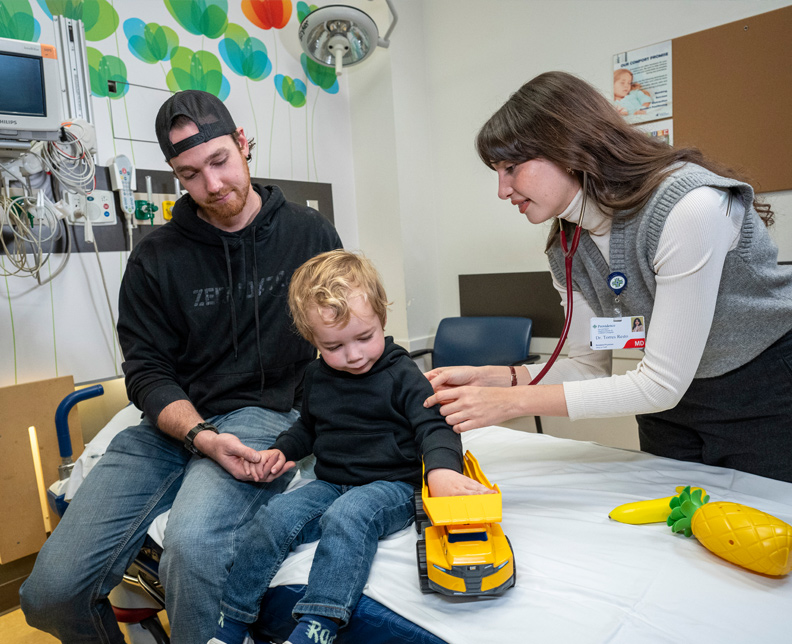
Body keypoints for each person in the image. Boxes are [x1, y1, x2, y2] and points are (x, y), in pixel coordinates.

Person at [20, 90, 342, 643]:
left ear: (244, 145)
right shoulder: (156, 257)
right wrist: (198, 434)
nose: (212, 186)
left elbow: (344, 330)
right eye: (190, 173)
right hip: (168, 428)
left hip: (262, 415)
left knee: (191, 551)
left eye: (220, 161)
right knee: (48, 593)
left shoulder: (309, 235)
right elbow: (145, 369)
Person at [423, 71, 792, 483]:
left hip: (764, 392)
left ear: (567, 147)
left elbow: (659, 384)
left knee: (768, 528)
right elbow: (588, 367)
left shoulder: (690, 208)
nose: (502, 190)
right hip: (669, 407)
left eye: (511, 167)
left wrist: (509, 403)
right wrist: (497, 379)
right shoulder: (567, 245)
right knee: (678, 523)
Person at [208, 250, 491, 644]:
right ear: (313, 340)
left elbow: (435, 426)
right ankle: (234, 619)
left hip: (393, 485)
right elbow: (308, 426)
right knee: (275, 516)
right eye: (335, 346)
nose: (354, 355)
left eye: (364, 337)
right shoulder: (316, 376)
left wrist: (443, 471)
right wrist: (283, 450)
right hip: (332, 480)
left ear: (382, 320)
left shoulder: (402, 373)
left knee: (348, 516)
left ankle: (319, 623)